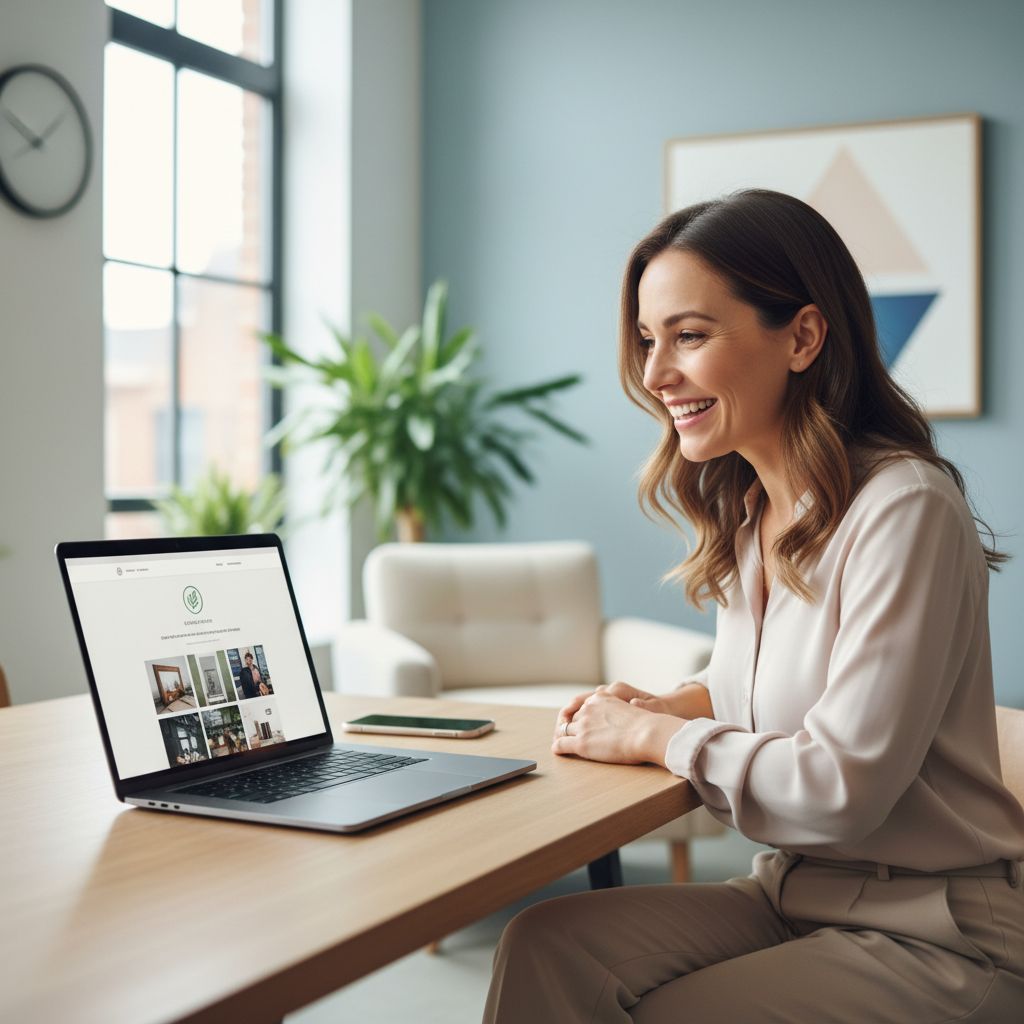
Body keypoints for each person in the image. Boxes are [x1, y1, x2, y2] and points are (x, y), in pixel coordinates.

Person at [484, 190, 1024, 1023]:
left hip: (939, 929)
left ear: (803, 337)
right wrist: (674, 703)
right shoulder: (750, 512)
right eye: (648, 340)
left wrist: (658, 737)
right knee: (546, 943)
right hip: (794, 890)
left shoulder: (904, 506)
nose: (658, 374)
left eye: (689, 336)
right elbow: (766, 681)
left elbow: (842, 788)